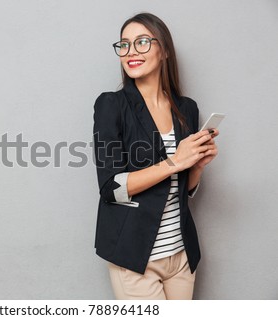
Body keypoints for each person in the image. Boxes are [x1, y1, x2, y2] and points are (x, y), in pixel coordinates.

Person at [92, 12, 219, 300]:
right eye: (124, 45)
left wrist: (196, 166)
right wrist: (175, 161)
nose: (131, 52)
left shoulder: (186, 108)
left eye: (142, 42)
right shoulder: (111, 105)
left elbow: (180, 188)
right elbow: (111, 188)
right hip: (136, 257)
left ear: (164, 50)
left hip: (181, 255)